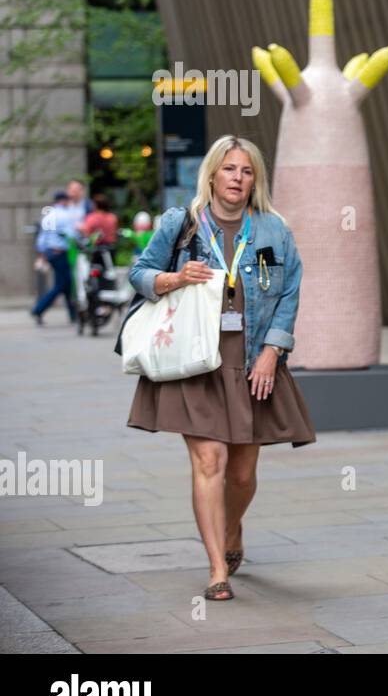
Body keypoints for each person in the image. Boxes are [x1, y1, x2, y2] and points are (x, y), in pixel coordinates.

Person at [127, 135, 316, 602]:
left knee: (243, 472)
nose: (237, 178)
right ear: (212, 174)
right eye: (230, 169)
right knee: (210, 460)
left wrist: (274, 351)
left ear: (256, 180)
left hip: (251, 360)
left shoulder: (273, 230)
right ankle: (216, 568)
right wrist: (172, 278)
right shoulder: (182, 223)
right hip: (196, 359)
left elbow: (287, 294)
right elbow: (140, 272)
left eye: (247, 171)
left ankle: (232, 529)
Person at [31, 191, 81, 325]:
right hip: (61, 253)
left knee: (66, 284)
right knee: (61, 285)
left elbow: (42, 239)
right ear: (63, 201)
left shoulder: (48, 215)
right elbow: (72, 234)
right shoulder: (65, 215)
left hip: (50, 253)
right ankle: (38, 309)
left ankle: (73, 314)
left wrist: (42, 254)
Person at [80, 193, 119, 274]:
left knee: (94, 271)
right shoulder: (112, 217)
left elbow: (86, 232)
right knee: (109, 272)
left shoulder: (92, 218)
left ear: (96, 205)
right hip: (110, 249)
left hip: (96, 250)